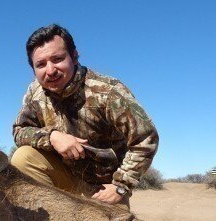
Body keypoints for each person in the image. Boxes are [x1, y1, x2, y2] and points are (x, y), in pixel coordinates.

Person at [11, 24, 159, 208]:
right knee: (23, 158)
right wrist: (52, 137)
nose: (50, 71)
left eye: (57, 59)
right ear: (34, 69)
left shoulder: (108, 92)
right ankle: (53, 219)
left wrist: (121, 186)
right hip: (64, 178)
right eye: (41, 64)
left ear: (74, 57)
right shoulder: (35, 92)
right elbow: (19, 131)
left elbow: (146, 138)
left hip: (104, 188)